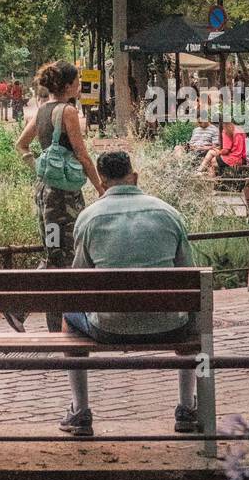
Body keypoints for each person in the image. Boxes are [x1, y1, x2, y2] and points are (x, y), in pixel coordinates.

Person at [59, 150, 201, 438]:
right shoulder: (168, 213)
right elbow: (190, 275)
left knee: (68, 318)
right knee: (192, 315)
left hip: (109, 328)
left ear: (101, 181)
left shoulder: (88, 218)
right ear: (134, 177)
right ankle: (186, 408)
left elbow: (79, 284)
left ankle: (80, 411)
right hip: (170, 326)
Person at [11, 61, 103, 332]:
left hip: (44, 194)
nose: (79, 86)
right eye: (76, 82)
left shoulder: (41, 111)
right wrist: (100, 187)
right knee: (65, 256)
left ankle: (50, 323)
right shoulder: (68, 111)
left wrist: (39, 166)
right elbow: (82, 153)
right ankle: (24, 307)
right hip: (65, 198)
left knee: (53, 253)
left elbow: (21, 144)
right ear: (66, 85)